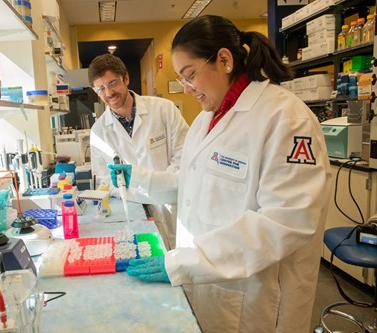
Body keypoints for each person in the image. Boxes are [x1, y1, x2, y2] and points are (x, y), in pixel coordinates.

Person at [108, 15, 332, 333]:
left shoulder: (286, 118)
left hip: (256, 299)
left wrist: (187, 262)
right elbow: (189, 184)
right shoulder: (205, 120)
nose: (186, 89)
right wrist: (140, 179)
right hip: (208, 286)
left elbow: (286, 221)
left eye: (190, 76)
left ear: (224, 60)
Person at [88, 53, 188, 250]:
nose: (108, 93)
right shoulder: (98, 131)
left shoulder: (163, 109)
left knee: (183, 266)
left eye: (113, 83)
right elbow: (104, 179)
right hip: (137, 210)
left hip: (174, 204)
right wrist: (132, 191)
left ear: (126, 79)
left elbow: (184, 156)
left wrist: (154, 183)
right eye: (101, 88)